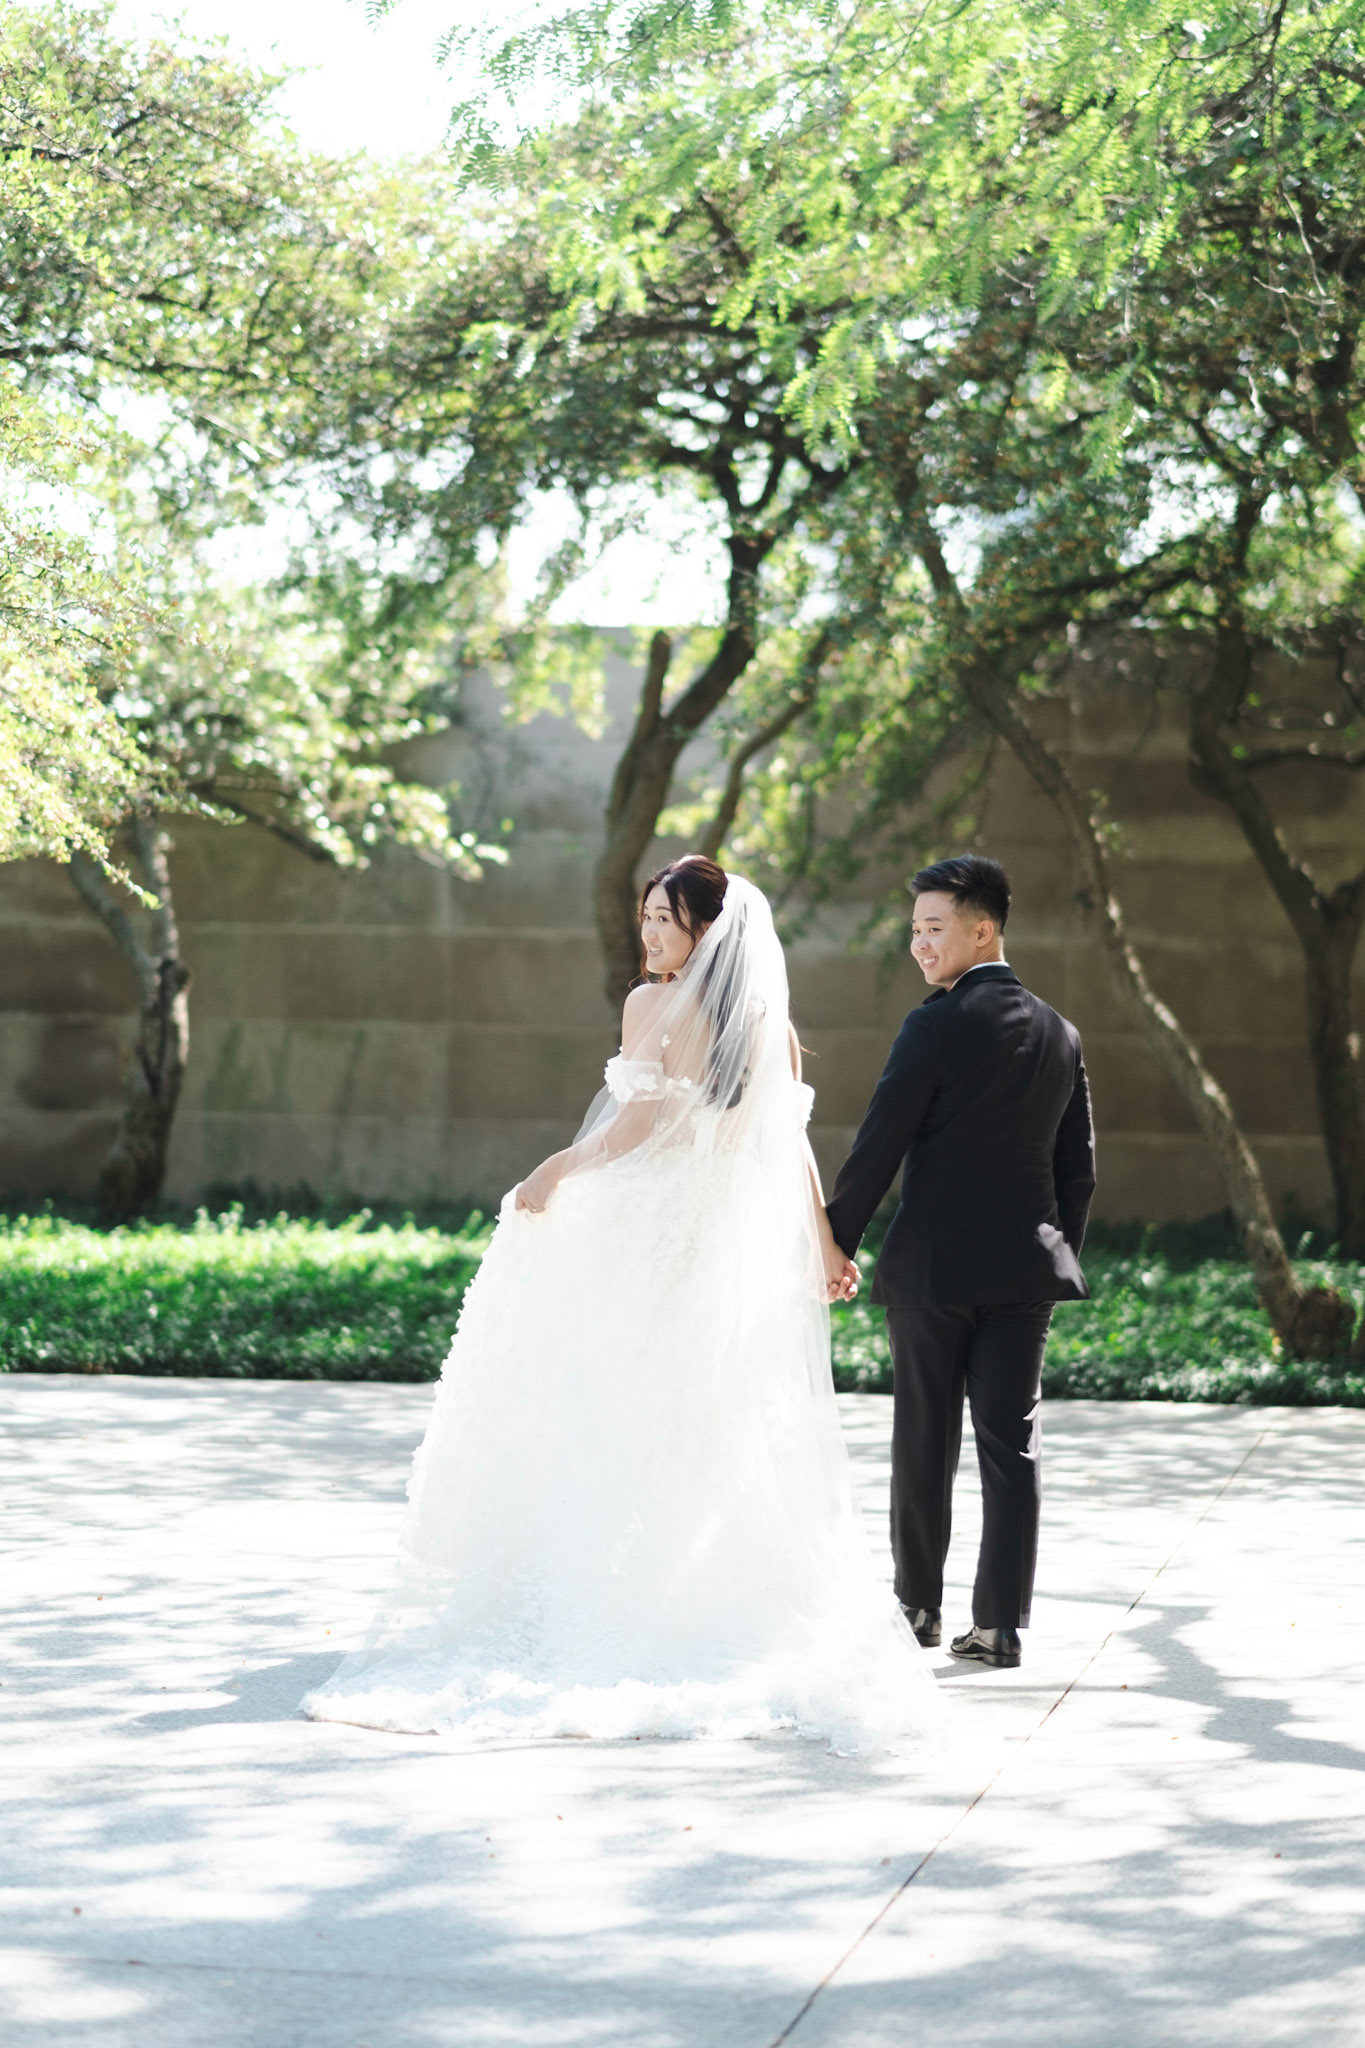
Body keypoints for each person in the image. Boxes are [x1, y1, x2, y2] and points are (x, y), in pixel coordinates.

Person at [304, 855, 941, 1753]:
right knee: (708, 1412)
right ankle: (698, 1594)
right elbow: (791, 1144)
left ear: (705, 932)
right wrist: (824, 1243)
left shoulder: (651, 1007)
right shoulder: (769, 1022)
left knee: (618, 1403)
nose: (648, 935)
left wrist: (555, 1166)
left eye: (665, 921)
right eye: (645, 917)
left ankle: (619, 1594)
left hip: (655, 1229)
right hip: (729, 1239)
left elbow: (635, 1129)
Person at [826, 855, 1095, 1671]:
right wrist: (1052, 1255)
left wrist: (835, 1242)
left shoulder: (933, 1025)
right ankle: (999, 1626)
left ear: (982, 930)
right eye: (913, 929)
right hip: (1024, 1273)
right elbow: (1076, 1173)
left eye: (933, 927)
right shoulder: (1059, 1033)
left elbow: (879, 1144)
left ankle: (916, 1608)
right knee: (1012, 1447)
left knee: (923, 1438)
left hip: (933, 1272)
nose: (918, 943)